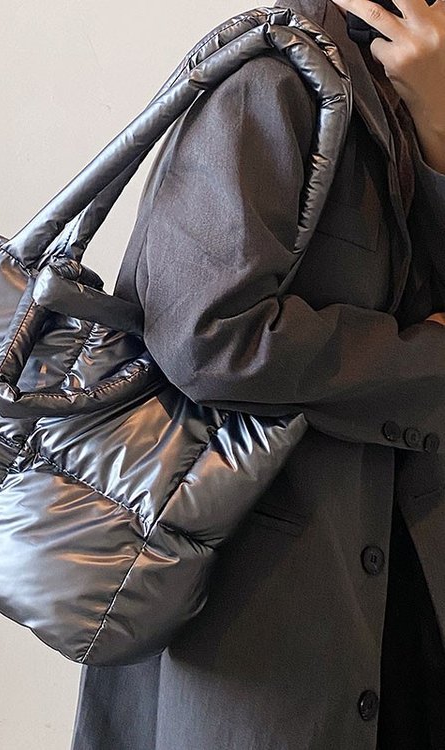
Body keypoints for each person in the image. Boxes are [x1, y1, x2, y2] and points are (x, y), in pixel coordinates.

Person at [69, 0, 445, 747]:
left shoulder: (414, 93)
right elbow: (206, 335)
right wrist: (423, 360)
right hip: (265, 622)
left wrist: (438, 126)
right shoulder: (272, 79)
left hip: (401, 599)